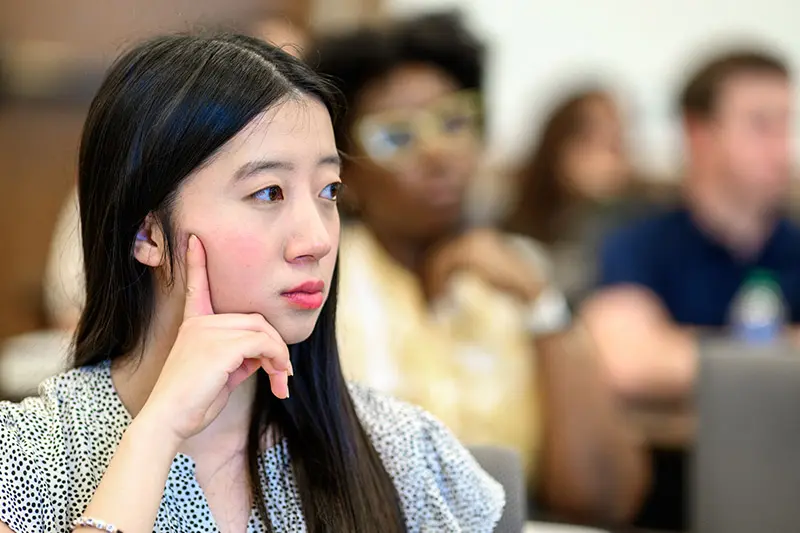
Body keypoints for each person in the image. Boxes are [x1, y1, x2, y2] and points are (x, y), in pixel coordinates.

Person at [0, 33, 506, 533]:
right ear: (147, 232)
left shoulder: (400, 450)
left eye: (328, 190)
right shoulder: (29, 458)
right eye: (268, 193)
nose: (316, 239)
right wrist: (157, 432)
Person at [314, 11, 648, 524]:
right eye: (397, 137)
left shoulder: (523, 272)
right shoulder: (320, 281)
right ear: (347, 170)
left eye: (454, 122)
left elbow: (604, 500)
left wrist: (545, 309)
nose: (438, 153)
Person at [582, 48, 800, 530]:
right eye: (761, 125)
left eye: (787, 124)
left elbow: (655, 357)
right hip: (666, 495)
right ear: (699, 133)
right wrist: (783, 351)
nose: (782, 146)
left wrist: (683, 353)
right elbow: (627, 362)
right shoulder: (637, 242)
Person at [502, 88, 675, 305]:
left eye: (617, 141)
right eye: (591, 139)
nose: (610, 156)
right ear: (559, 147)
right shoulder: (518, 226)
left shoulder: (649, 220)